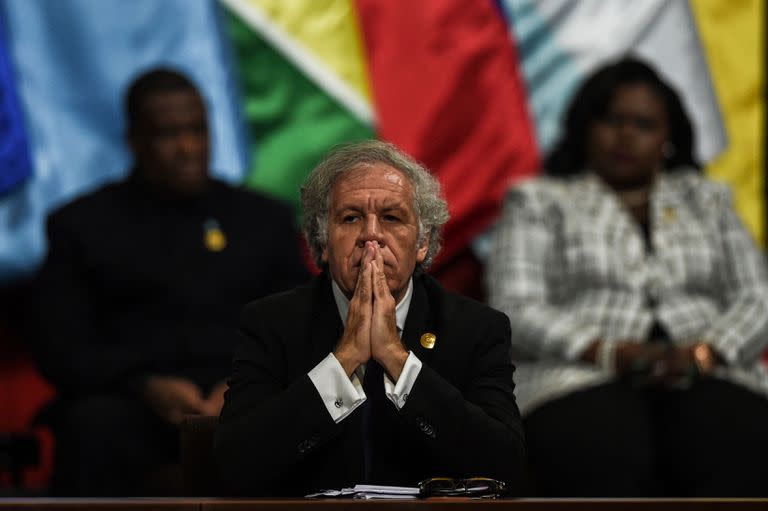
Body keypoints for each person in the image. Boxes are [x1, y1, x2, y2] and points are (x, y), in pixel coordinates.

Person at [487, 57, 768, 497]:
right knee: (602, 441)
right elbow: (515, 307)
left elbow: (758, 296)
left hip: (709, 371)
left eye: (644, 124)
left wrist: (705, 354)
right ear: (585, 126)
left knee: (731, 433)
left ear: (667, 137)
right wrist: (608, 351)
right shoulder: (539, 201)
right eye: (611, 120)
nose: (626, 136)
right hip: (575, 374)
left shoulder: (709, 201)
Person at [34, 68, 309, 496]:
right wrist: (143, 385)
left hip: (243, 399)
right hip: (132, 403)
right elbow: (61, 347)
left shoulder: (262, 220)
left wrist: (245, 386)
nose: (188, 148)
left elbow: (300, 328)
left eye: (197, 130)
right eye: (168, 134)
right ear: (134, 141)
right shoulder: (82, 225)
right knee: (93, 425)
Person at [215, 140, 525, 496]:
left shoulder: (476, 328)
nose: (371, 235)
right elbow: (235, 465)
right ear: (324, 240)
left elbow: (505, 466)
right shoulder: (272, 323)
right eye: (351, 218)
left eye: (392, 218)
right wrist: (344, 359)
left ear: (422, 243)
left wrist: (396, 357)